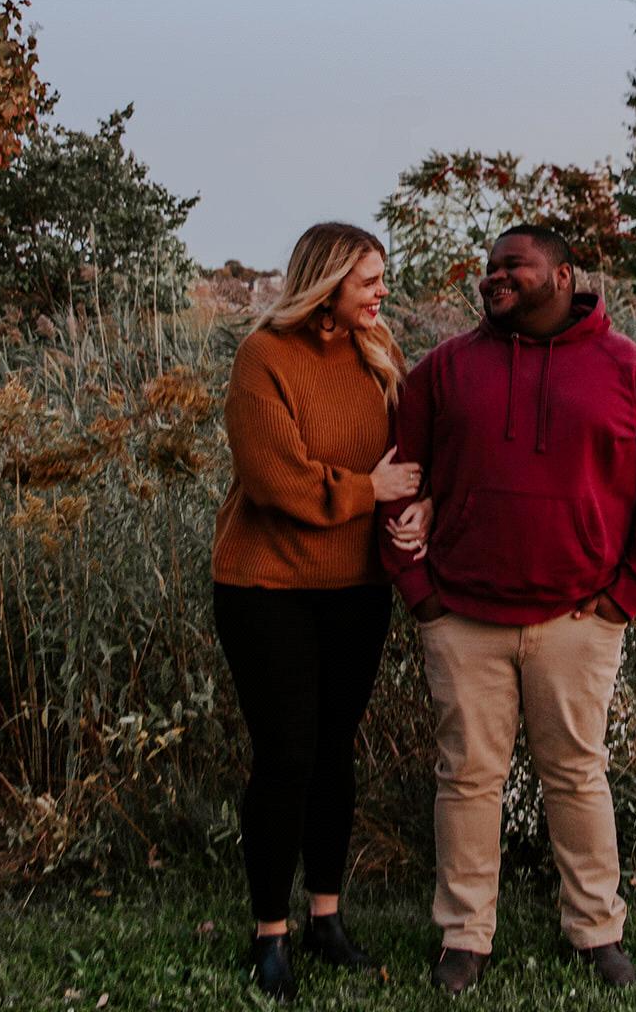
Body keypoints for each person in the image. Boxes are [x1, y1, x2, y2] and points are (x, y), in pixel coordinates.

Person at [379, 226, 636, 995]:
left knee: (577, 776)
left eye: (511, 265)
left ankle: (595, 931)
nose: (492, 278)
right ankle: (464, 937)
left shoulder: (630, 372)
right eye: (488, 268)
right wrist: (420, 596)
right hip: (462, 617)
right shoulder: (445, 371)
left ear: (561, 274)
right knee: (467, 779)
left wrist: (625, 597)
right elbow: (393, 483)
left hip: (577, 622)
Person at [213, 222, 431, 1003]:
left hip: (356, 588)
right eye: (370, 280)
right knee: (286, 757)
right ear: (327, 280)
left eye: (382, 279)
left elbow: (412, 460)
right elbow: (279, 481)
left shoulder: (380, 355)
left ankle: (326, 918)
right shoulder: (262, 357)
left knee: (335, 752)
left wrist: (420, 507)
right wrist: (370, 492)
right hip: (266, 587)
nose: (383, 293)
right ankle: (268, 932)